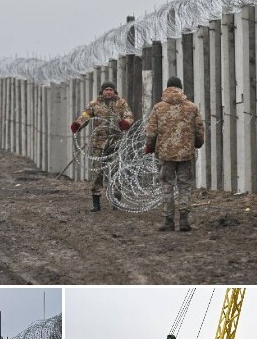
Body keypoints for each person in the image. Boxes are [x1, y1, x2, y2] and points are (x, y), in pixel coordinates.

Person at [144, 76, 205, 232]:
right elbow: (199, 129)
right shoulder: (192, 107)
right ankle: (184, 220)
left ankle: (168, 220)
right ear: (180, 88)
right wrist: (197, 143)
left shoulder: (158, 108)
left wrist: (150, 147)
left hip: (165, 154)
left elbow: (151, 132)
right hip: (186, 154)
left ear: (167, 88)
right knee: (184, 186)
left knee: (167, 186)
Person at [71, 81, 133, 212]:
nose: (109, 92)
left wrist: (125, 123)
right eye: (106, 89)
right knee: (97, 172)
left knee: (116, 171)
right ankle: (96, 201)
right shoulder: (94, 104)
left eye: (111, 89)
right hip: (98, 143)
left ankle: (116, 200)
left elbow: (128, 115)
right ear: (102, 91)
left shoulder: (121, 103)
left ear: (114, 91)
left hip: (115, 142)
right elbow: (85, 116)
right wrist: (78, 125)